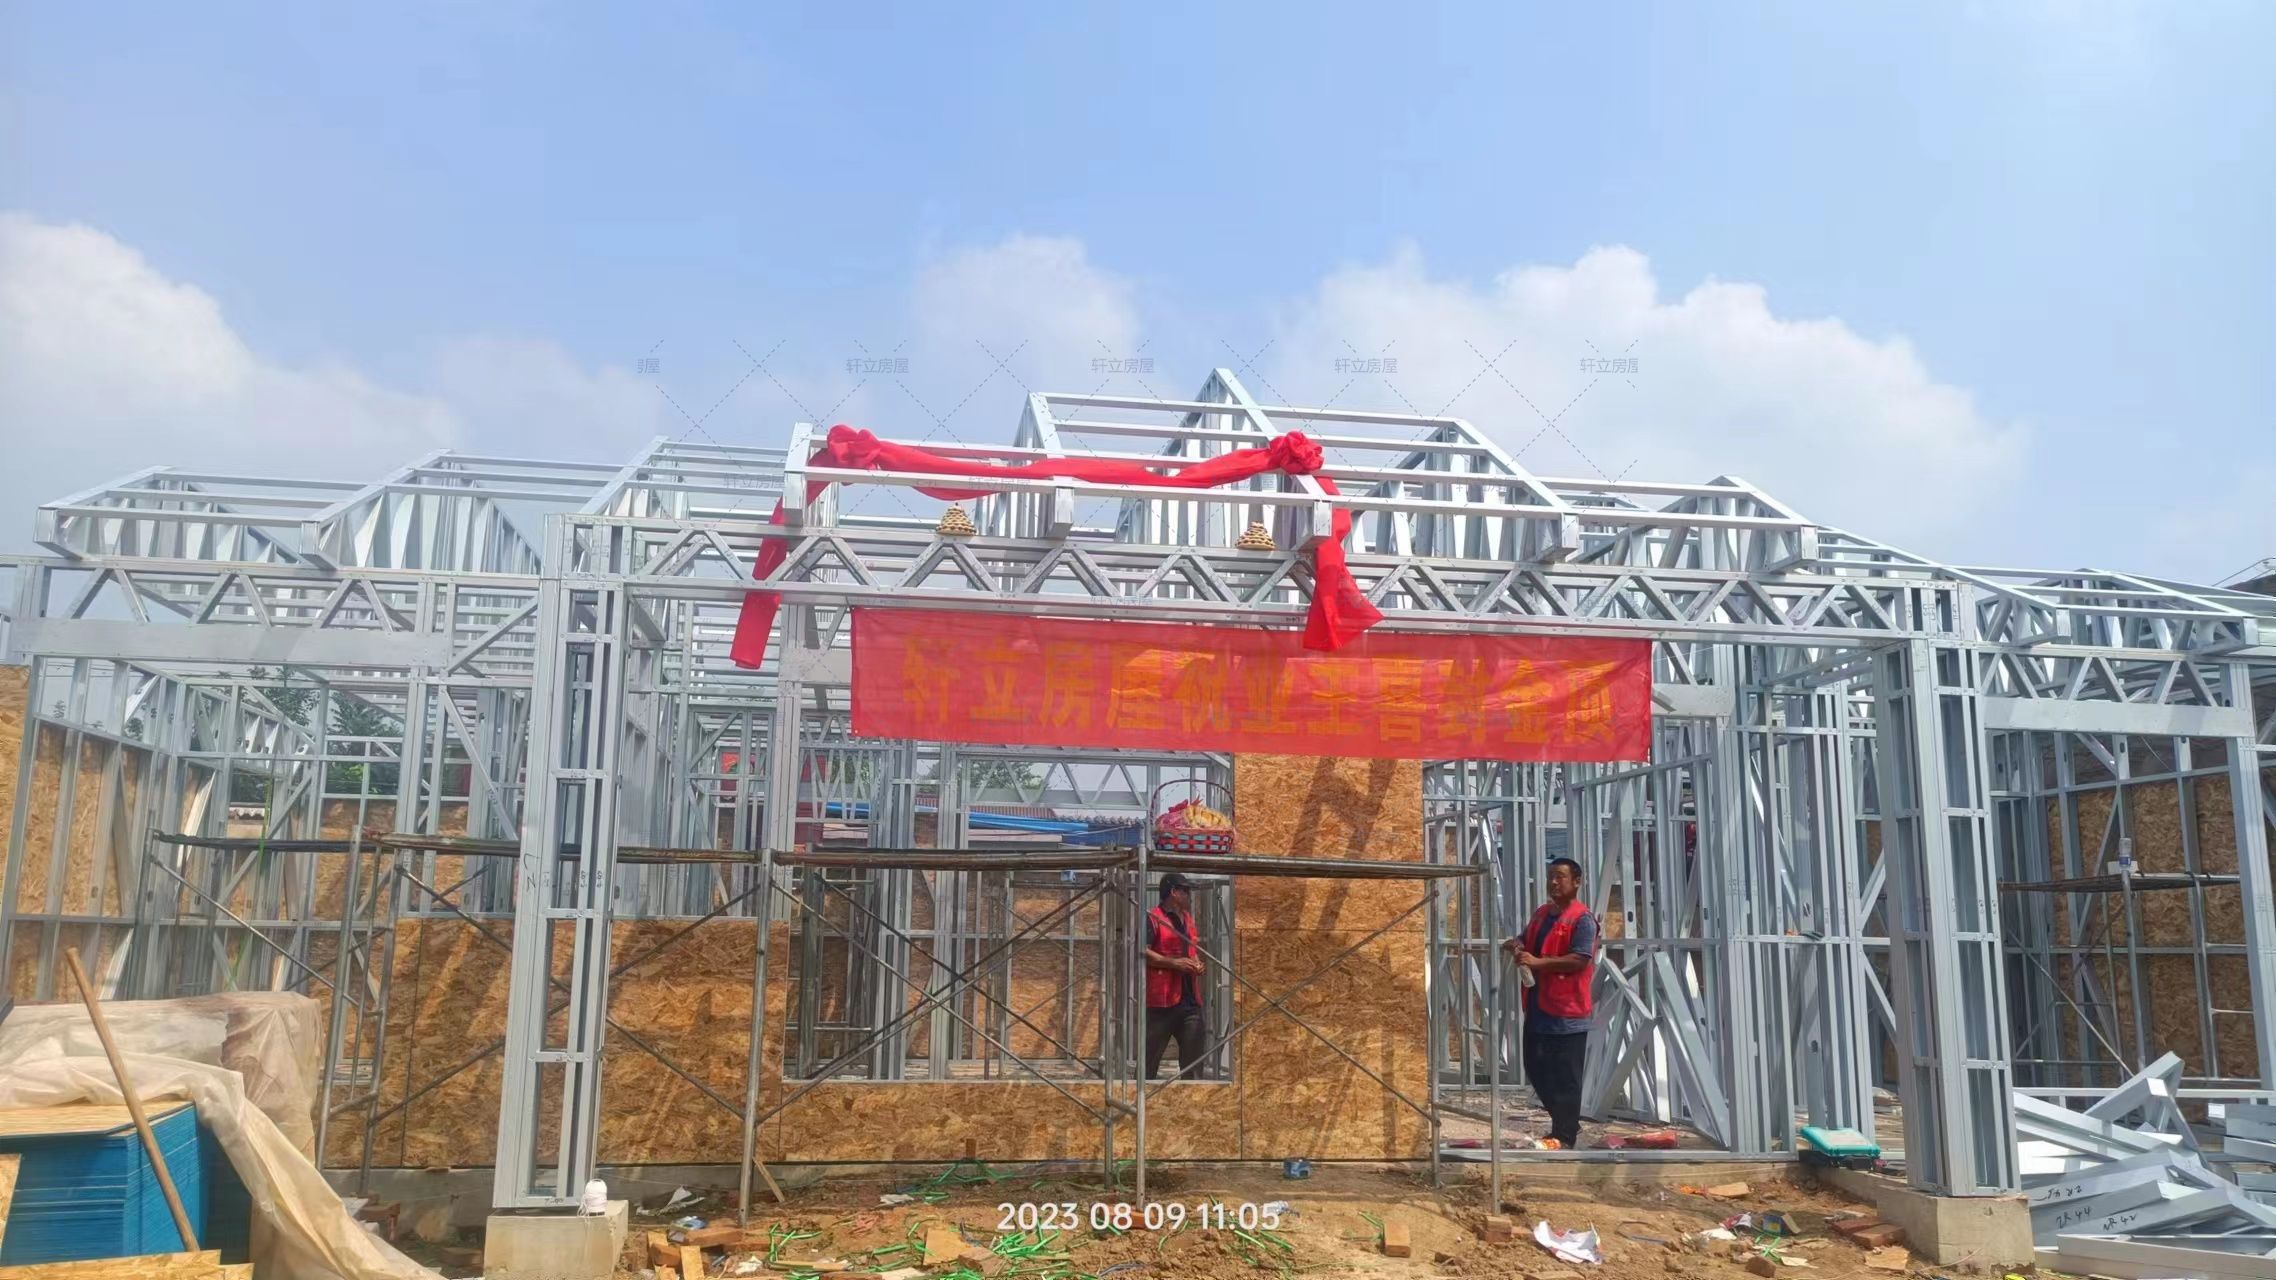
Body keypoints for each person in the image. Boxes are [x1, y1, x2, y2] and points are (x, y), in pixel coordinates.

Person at [1501, 857, 1597, 1149]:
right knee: (1535, 1066)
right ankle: (1566, 1121)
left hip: (1568, 1011)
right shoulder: (1542, 914)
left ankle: (1564, 1136)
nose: (1553, 882)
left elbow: (1579, 960)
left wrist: (1538, 963)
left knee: (1566, 1075)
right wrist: (1516, 945)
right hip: (1539, 1005)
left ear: (1577, 882)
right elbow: (1526, 939)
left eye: (1560, 877)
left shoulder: (1582, 919)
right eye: (1550, 876)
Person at [1143, 872, 1208, 1079]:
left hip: (1189, 1001)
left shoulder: (1188, 919)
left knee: (1194, 1062)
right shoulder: (1153, 918)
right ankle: (1142, 1095)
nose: (1189, 896)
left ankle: (1192, 1096)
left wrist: (1196, 963)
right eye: (1185, 891)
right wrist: (1173, 963)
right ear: (1173, 892)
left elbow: (1191, 950)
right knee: (1148, 1062)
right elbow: (1141, 951)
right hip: (1162, 1002)